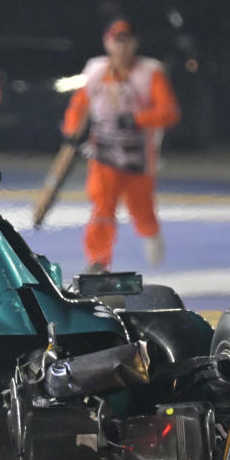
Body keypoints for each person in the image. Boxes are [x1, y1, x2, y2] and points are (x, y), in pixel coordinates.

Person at [62, 17, 181, 273]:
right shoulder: (95, 71)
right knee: (102, 208)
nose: (121, 48)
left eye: (126, 42)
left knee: (141, 208)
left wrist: (138, 119)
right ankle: (98, 260)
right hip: (104, 154)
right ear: (107, 43)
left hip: (137, 156)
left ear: (135, 44)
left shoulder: (150, 73)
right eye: (116, 42)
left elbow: (169, 112)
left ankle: (150, 232)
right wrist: (72, 132)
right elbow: (79, 106)